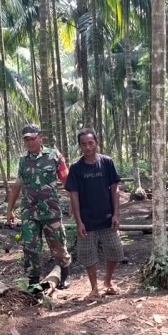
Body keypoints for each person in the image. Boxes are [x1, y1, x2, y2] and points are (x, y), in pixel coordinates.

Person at [6, 124, 72, 290]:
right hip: (29, 212)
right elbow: (17, 186)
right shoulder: (23, 160)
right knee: (30, 247)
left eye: (32, 138)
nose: (29, 142)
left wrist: (73, 202)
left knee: (58, 245)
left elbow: (66, 180)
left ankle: (65, 275)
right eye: (26, 140)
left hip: (51, 211)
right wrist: (9, 210)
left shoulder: (54, 156)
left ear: (40, 137)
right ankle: (33, 282)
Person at [65, 127, 124, 298]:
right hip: (86, 219)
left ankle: (108, 281)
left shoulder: (107, 163)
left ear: (96, 143)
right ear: (80, 146)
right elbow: (74, 194)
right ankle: (94, 288)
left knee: (115, 250)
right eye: (84, 144)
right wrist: (78, 222)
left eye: (91, 143)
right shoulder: (76, 168)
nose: (88, 147)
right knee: (88, 254)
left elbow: (115, 189)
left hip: (107, 217)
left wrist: (116, 214)